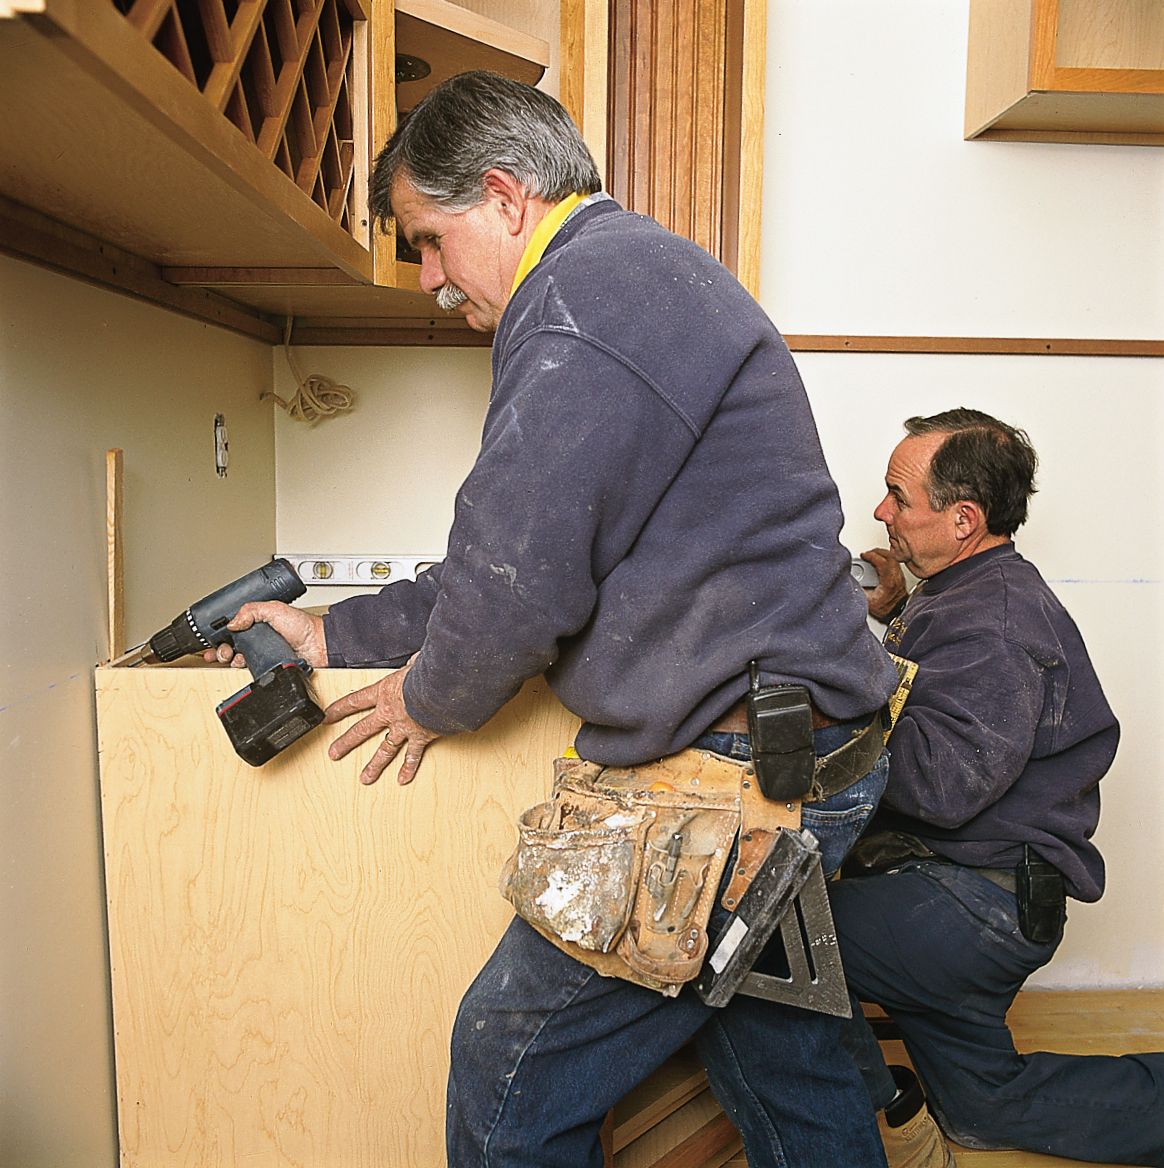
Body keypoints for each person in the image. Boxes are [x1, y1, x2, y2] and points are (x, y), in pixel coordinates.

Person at [216, 71, 900, 1167]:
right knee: (781, 1065)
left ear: (502, 194)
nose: (431, 279)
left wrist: (427, 696)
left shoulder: (584, 303)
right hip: (797, 754)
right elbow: (520, 555)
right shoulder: (627, 278)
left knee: (508, 1067)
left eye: (430, 241)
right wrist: (334, 636)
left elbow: (516, 577)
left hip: (738, 785)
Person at [831, 408, 1164, 1168]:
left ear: (963, 519)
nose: (882, 512)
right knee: (986, 1108)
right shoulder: (966, 592)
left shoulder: (998, 622)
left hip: (972, 904)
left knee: (765, 939)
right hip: (982, 888)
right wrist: (895, 615)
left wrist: (838, 677)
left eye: (897, 497)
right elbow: (945, 700)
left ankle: (879, 1118)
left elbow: (939, 783)